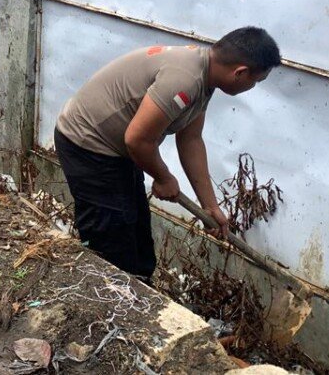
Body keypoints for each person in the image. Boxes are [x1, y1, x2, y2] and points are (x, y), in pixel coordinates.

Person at [53, 27, 281, 280]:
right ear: (240, 72)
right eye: (256, 81)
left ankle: (140, 289)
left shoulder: (204, 77)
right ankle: (104, 295)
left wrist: (210, 206)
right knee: (111, 241)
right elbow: (137, 139)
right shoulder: (185, 79)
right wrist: (163, 177)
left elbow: (191, 139)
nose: (253, 87)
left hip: (117, 151)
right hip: (87, 144)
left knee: (137, 234)